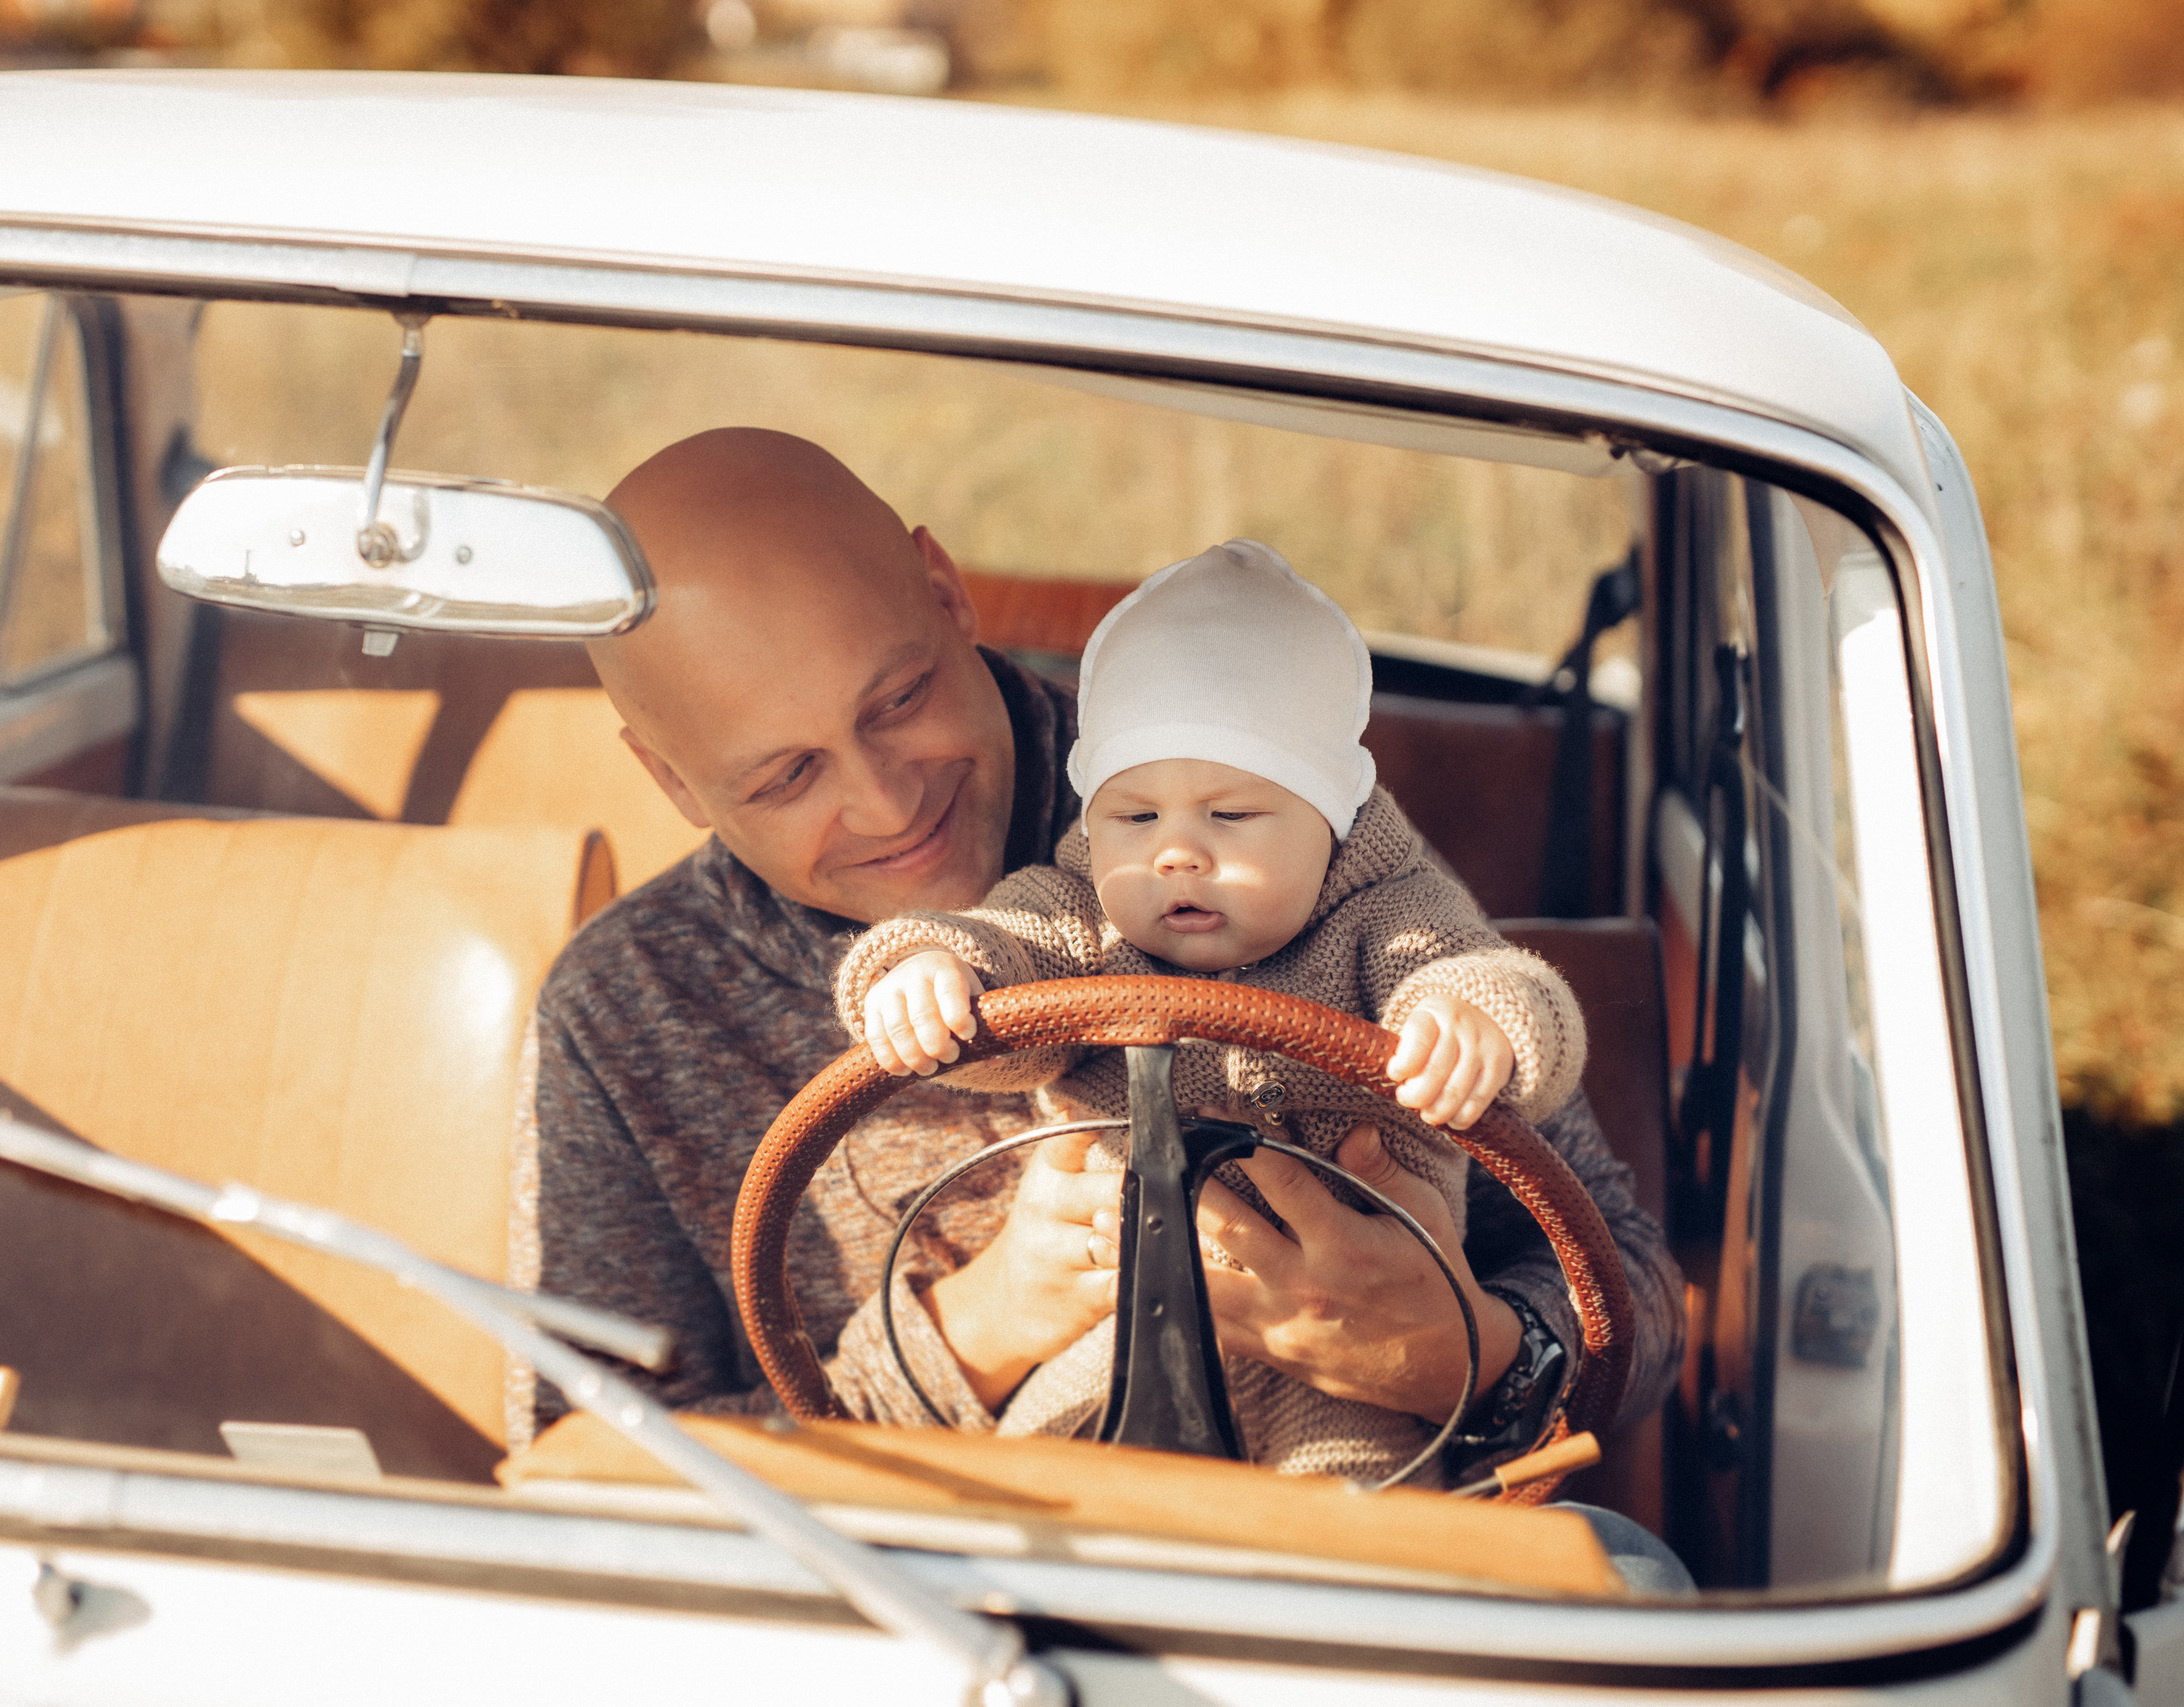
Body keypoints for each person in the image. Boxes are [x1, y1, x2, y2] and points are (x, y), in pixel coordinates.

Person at [509, 426, 1683, 1476]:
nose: (883, 803)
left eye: (899, 698)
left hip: (1339, 1538)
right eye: (785, 776)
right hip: (923, 1600)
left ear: (944, 590)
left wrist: (1460, 1352)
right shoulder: (624, 1009)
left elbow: (1634, 1294)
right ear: (668, 780)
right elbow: (593, 1465)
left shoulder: (1253, 802)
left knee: (1633, 1584)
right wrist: (975, 1332)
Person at [837, 539, 1585, 1481]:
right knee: (1035, 1505)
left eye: (1230, 817)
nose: (1176, 854)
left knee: (1346, 1541)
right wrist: (928, 967)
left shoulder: (1389, 915)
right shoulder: (1076, 913)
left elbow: (1493, 983)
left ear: (1333, 818)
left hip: (1354, 1369)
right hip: (1113, 1336)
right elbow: (1002, 970)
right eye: (1136, 818)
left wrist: (1482, 1027)